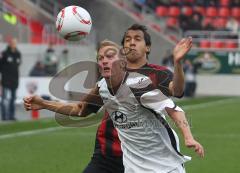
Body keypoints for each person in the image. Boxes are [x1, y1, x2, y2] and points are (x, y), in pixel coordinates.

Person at [25, 24, 193, 173]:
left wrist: (177, 63)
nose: (131, 42)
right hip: (108, 152)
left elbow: (176, 93)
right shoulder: (104, 83)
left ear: (147, 47)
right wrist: (44, 103)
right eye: (127, 39)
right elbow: (81, 109)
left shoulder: (156, 74)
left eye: (137, 39)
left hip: (148, 155)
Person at [0, 38, 21, 121]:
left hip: (14, 80)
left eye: (15, 43)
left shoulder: (18, 54)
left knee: (13, 98)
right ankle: (4, 116)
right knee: (4, 99)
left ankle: (11, 116)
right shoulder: (4, 53)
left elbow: (18, 65)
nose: (13, 44)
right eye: (12, 43)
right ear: (9, 44)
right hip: (5, 80)